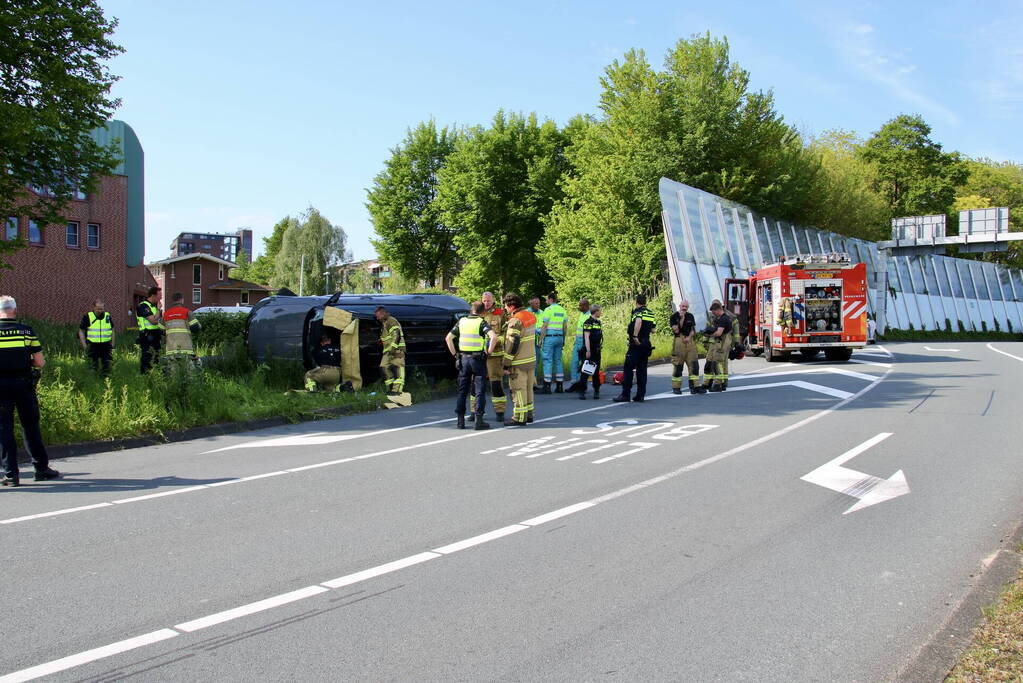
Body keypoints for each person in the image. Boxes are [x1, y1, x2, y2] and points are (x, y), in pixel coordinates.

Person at [0, 296, 60, 486]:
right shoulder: (26, 331)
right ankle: (41, 468)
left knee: (4, 430)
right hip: (23, 383)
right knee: (30, 425)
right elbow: (40, 362)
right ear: (14, 310)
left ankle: (11, 475)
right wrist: (25, 362)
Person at [446, 301, 498, 430]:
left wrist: (455, 355)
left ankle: (460, 421)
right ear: (483, 312)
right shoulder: (481, 322)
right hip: (478, 360)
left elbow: (448, 338)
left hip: (463, 359)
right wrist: (488, 352)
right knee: (479, 390)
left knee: (462, 391)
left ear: (471, 310)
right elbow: (493, 337)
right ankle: (479, 421)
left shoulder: (462, 321)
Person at [468, 291, 508, 424]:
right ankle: (474, 411)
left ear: (493, 300)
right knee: (475, 383)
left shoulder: (500, 313)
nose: (486, 303)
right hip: (477, 355)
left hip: (494, 356)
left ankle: (500, 412)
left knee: (496, 384)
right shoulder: (476, 314)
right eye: (484, 301)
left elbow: (506, 334)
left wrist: (495, 342)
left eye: (488, 301)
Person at [501, 293, 537, 426]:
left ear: (511, 306)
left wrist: (506, 364)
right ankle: (529, 415)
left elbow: (513, 343)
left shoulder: (515, 321)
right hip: (530, 359)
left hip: (518, 362)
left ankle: (519, 417)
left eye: (505, 306)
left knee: (518, 390)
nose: (505, 309)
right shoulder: (530, 316)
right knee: (528, 389)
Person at [613, 293, 656, 403]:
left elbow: (638, 321)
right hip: (646, 343)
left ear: (636, 302)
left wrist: (635, 336)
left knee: (628, 367)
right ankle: (640, 395)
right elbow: (653, 330)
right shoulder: (650, 313)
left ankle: (625, 394)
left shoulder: (638, 312)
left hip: (636, 343)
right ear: (645, 302)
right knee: (642, 370)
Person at [670, 299, 704, 395]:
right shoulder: (674, 316)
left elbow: (693, 330)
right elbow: (676, 330)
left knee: (694, 365)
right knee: (678, 366)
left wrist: (689, 337)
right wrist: (681, 319)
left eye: (686, 307)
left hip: (689, 341)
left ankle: (695, 387)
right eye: (683, 306)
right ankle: (676, 387)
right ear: (679, 306)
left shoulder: (690, 316)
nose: (684, 308)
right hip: (679, 341)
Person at [538, 291, 567, 393]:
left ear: (550, 299)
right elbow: (565, 327)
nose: (546, 301)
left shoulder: (548, 310)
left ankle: (547, 386)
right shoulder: (562, 310)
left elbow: (545, 326)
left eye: (547, 299)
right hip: (559, 337)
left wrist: (541, 339)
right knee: (558, 360)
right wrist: (563, 339)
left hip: (550, 338)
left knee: (547, 360)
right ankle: (559, 386)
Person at [163, 292, 202, 366]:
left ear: (173, 301)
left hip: (171, 350)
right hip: (186, 349)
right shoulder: (187, 312)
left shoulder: (166, 314)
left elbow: (161, 331)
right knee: (188, 371)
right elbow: (196, 328)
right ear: (182, 300)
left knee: (173, 371)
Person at [78, 299, 115, 375]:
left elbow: (113, 330)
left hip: (106, 345)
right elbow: (81, 331)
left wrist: (113, 344)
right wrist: (84, 345)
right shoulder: (88, 316)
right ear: (94, 308)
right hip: (93, 345)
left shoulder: (107, 316)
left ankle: (105, 379)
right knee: (93, 367)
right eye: (98, 309)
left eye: (102, 309)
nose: (100, 311)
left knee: (106, 367)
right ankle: (93, 379)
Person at [702, 301, 733, 392]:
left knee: (718, 363)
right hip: (720, 342)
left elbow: (719, 333)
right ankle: (716, 383)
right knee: (715, 362)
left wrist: (708, 334)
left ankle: (718, 384)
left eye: (714, 312)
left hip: (721, 343)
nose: (714, 314)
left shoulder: (723, 319)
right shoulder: (722, 318)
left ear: (718, 310)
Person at [375, 306, 406, 395]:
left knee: (398, 368)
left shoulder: (391, 321)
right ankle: (391, 389)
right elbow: (388, 337)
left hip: (397, 350)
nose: (377, 318)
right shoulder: (385, 323)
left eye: (378, 316)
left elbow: (397, 336)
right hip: (388, 351)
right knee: (383, 367)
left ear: (383, 313)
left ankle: (397, 391)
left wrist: (392, 349)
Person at [577, 304, 603, 400]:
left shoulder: (598, 322)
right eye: (600, 311)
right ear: (595, 312)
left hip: (597, 350)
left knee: (596, 371)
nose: (601, 312)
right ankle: (582, 391)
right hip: (589, 349)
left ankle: (596, 390)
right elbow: (586, 337)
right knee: (586, 371)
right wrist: (588, 350)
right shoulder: (588, 322)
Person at [136, 286, 164, 373]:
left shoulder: (155, 307)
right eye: (159, 296)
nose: (160, 298)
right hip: (146, 335)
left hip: (156, 334)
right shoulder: (143, 306)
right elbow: (154, 321)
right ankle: (145, 375)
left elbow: (160, 321)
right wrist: (159, 310)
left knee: (157, 356)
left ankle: (155, 374)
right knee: (147, 356)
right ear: (153, 295)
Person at [567, 298, 591, 392]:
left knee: (583, 364)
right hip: (578, 341)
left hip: (584, 342)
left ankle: (582, 384)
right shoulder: (582, 314)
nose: (579, 307)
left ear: (586, 305)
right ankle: (575, 383)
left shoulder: (589, 316)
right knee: (574, 362)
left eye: (581, 305)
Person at [528, 296, 544, 385]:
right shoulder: (526, 312)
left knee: (536, 361)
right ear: (531, 303)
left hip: (538, 340)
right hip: (528, 341)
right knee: (528, 362)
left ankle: (534, 382)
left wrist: (539, 331)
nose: (538, 305)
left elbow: (544, 325)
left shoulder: (542, 312)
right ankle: (528, 382)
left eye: (539, 303)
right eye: (536, 303)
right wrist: (536, 330)